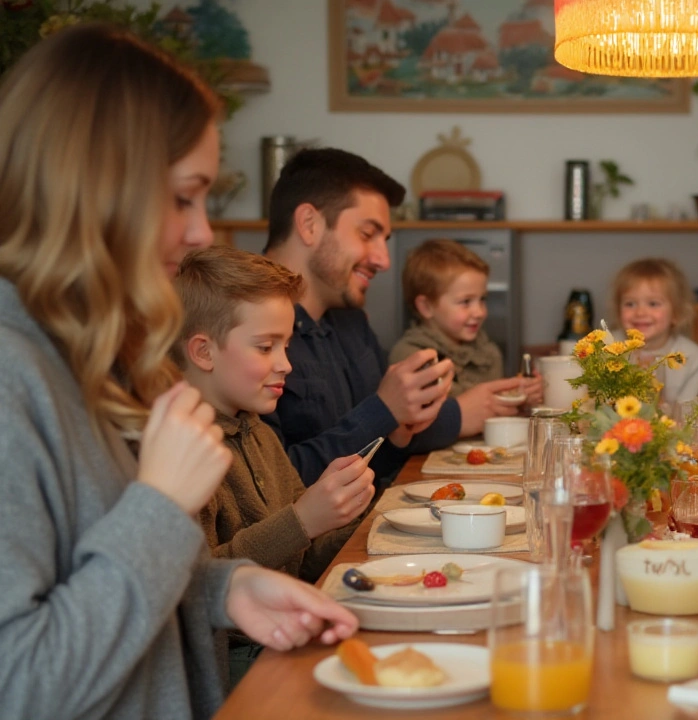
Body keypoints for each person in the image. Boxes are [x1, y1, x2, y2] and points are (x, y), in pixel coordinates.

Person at [0, 25, 355, 719]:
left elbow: (97, 578)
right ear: (99, 189)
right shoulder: (13, 378)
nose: (200, 232)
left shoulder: (82, 358)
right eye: (184, 197)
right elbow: (23, 684)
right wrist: (162, 506)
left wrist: (224, 589)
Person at [263, 148, 473, 487]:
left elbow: (383, 457)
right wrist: (383, 410)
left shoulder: (351, 321)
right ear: (309, 224)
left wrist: (398, 428)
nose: (383, 260)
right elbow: (273, 484)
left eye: (384, 240)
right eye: (367, 234)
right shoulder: (241, 327)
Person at [174, 246, 374, 582]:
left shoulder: (261, 435)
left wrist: (356, 518)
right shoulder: (181, 454)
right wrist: (303, 520)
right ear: (204, 352)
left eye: (286, 346)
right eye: (266, 347)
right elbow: (197, 583)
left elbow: (301, 562)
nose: (286, 365)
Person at [389, 239, 541, 414]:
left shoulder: (489, 353)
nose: (479, 312)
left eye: (482, 299)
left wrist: (521, 397)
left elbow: (494, 413)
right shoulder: (410, 358)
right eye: (465, 302)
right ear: (426, 307)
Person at [612, 257, 698, 407]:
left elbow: (691, 414)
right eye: (630, 304)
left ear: (677, 313)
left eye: (653, 303)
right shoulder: (607, 348)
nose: (640, 312)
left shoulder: (691, 357)